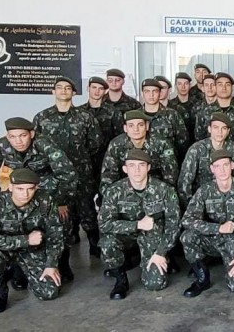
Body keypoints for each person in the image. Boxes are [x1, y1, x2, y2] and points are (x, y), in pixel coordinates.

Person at [33, 77, 102, 271]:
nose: (63, 91)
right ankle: (62, 258)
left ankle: (95, 246)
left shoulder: (85, 117)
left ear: (74, 93)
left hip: (82, 174)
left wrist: (81, 161)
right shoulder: (42, 118)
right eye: (59, 88)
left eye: (68, 88)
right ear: (53, 92)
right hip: (53, 176)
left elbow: (95, 144)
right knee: (60, 215)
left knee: (87, 211)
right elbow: (36, 146)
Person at [0, 169, 64, 314]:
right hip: (4, 250)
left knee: (48, 292)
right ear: (10, 187)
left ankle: (19, 270)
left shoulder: (45, 200)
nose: (25, 194)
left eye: (30, 189)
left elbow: (56, 233)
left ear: (36, 187)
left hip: (33, 250)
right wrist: (25, 240)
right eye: (20, 189)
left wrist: (51, 264)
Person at [98, 149, 180, 300]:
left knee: (155, 284)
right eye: (132, 165)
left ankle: (143, 258)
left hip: (152, 236)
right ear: (125, 169)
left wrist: (161, 252)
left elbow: (173, 224)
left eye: (141, 165)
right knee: (107, 243)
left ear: (148, 167)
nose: (136, 170)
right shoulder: (114, 191)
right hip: (125, 235)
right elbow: (104, 224)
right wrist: (137, 225)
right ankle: (120, 280)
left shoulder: (164, 190)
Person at [180, 149, 234, 297]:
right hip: (213, 238)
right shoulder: (205, 190)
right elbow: (187, 220)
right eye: (217, 166)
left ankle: (230, 263)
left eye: (225, 165)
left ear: (232, 166)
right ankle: (202, 278)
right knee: (187, 237)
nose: (222, 170)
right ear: (212, 169)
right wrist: (218, 228)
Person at [76, 76, 125, 244]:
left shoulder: (113, 112)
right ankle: (90, 235)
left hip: (108, 163)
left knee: (107, 198)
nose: (96, 91)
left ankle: (107, 234)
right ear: (88, 89)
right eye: (93, 87)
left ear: (104, 91)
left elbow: (121, 138)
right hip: (84, 164)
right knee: (84, 200)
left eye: (100, 88)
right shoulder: (79, 113)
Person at [179, 112, 234, 210]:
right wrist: (192, 208)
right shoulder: (197, 149)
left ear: (228, 131)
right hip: (202, 201)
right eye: (216, 127)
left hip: (229, 201)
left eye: (223, 128)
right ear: (209, 129)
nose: (219, 132)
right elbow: (184, 183)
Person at [101, 110, 179, 197]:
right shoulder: (116, 145)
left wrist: (165, 196)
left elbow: (170, 176)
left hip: (157, 190)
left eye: (140, 125)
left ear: (147, 126)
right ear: (125, 128)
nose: (136, 129)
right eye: (131, 126)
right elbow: (108, 177)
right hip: (125, 190)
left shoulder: (161, 143)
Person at [194, 72, 234, 145]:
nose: (224, 88)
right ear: (215, 87)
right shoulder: (205, 112)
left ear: (232, 88)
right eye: (220, 84)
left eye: (227, 84)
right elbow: (199, 138)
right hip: (213, 155)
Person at [140, 78, 189, 161]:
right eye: (147, 91)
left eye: (155, 91)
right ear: (142, 94)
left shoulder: (172, 115)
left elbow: (183, 142)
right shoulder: (136, 116)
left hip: (167, 164)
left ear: (159, 93)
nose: (151, 95)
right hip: (141, 164)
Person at [168, 72, 196, 144]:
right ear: (175, 86)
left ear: (190, 85)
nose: (183, 87)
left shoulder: (198, 104)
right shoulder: (170, 106)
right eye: (180, 84)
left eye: (186, 83)